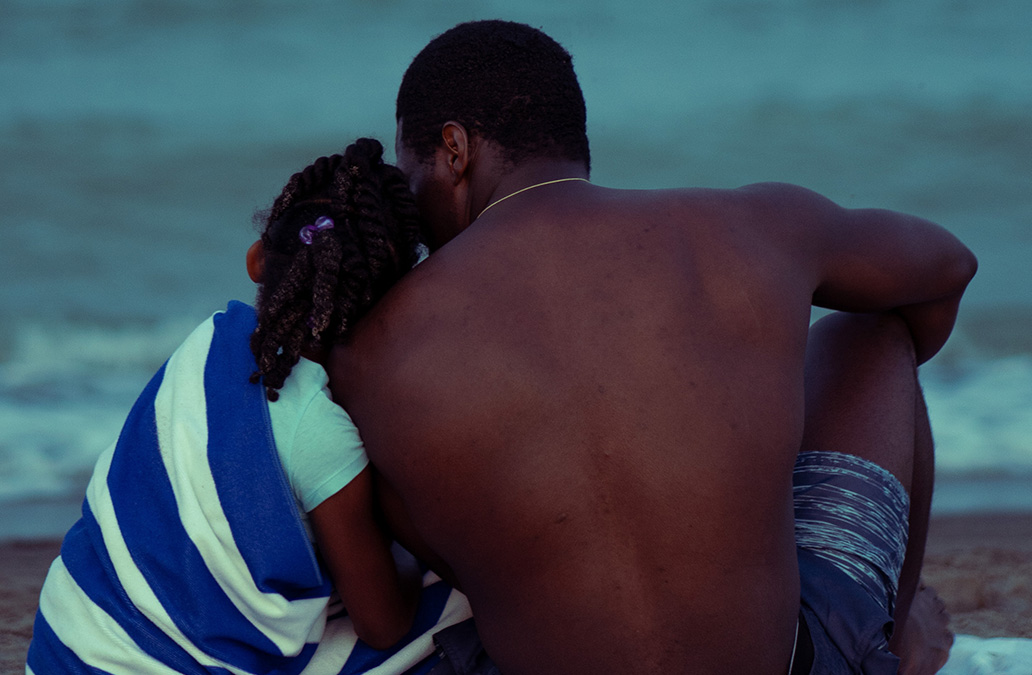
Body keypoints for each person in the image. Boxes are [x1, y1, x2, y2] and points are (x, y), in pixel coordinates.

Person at [327, 21, 976, 675]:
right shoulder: (749, 225)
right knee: (869, 331)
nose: (412, 206)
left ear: (455, 148)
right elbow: (948, 269)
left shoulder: (370, 349)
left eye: (412, 175)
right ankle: (889, 638)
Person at [26, 138, 471, 675]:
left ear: (258, 261)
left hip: (63, 646)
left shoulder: (205, 345)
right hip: (169, 664)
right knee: (462, 605)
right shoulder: (323, 435)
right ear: (388, 306)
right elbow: (382, 624)